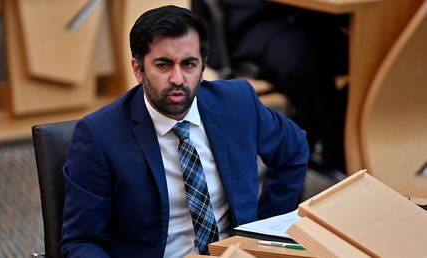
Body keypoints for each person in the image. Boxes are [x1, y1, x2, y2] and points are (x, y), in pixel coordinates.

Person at [60, 5, 308, 258]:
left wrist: (263, 233)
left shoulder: (238, 102)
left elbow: (293, 149)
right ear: (138, 69)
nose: (178, 78)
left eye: (189, 64)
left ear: (202, 67)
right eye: (164, 65)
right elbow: (81, 241)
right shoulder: (99, 135)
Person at [203, 0, 348, 175]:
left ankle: (344, 132)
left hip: (313, 13)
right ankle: (330, 152)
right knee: (302, 63)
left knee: (369, 51)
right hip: (252, 18)